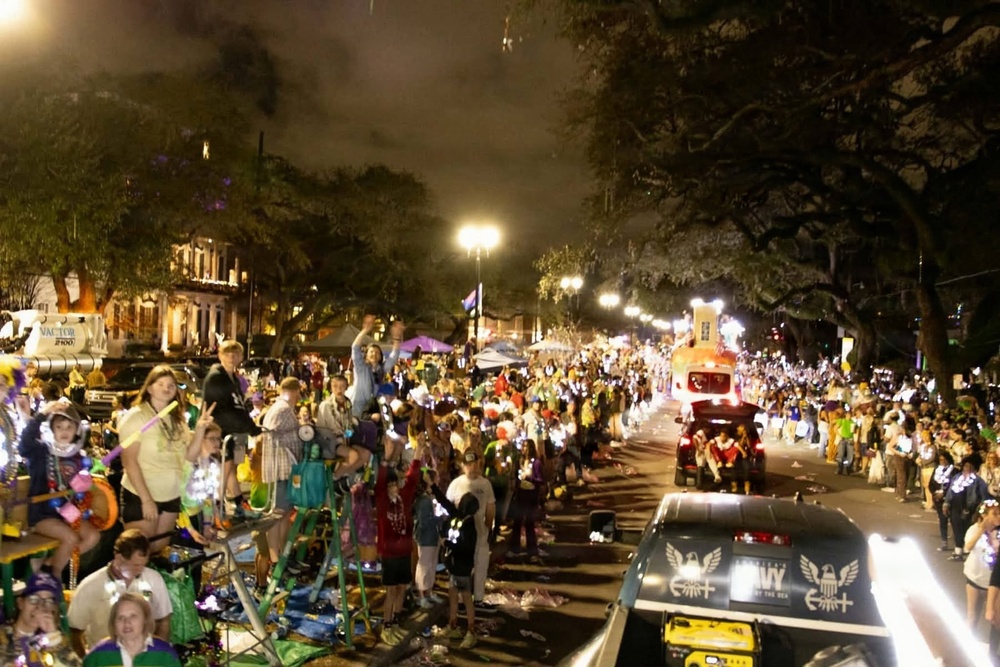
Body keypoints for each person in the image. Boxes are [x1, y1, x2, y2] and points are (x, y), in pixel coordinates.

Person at [119, 366, 217, 551]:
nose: (166, 388)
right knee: (139, 551)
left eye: (171, 385)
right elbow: (129, 462)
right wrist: (146, 500)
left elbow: (188, 456)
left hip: (171, 495)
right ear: (149, 388)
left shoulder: (177, 419)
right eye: (160, 384)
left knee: (158, 549)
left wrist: (201, 430)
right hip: (142, 494)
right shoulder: (137, 417)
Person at [18, 403, 101, 576]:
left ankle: (47, 565)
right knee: (70, 538)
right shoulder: (40, 452)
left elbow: (81, 491)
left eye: (69, 427)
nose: (64, 431)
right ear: (51, 429)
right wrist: (42, 415)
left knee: (93, 537)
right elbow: (24, 443)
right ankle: (53, 577)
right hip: (42, 515)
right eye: (59, 426)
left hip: (67, 511)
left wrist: (84, 484)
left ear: (77, 430)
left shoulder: (78, 457)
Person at [67, 530, 172, 657]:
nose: (140, 570)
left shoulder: (154, 579)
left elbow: (163, 620)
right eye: (135, 565)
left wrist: (157, 657)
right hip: (104, 659)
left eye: (143, 565)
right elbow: (75, 632)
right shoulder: (90, 586)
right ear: (119, 557)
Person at [202, 340, 261, 521]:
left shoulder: (234, 379)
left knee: (230, 470)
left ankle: (238, 506)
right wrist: (252, 429)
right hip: (219, 432)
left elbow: (239, 406)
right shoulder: (216, 378)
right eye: (227, 353)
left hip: (233, 432)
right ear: (219, 355)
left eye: (235, 354)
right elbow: (227, 410)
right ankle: (216, 510)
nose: (231, 357)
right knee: (223, 471)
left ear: (241, 357)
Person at [374, 437, 424, 646]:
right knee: (391, 589)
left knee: (403, 586)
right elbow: (380, 479)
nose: (394, 487)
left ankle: (395, 621)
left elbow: (413, 478)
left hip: (404, 551)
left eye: (396, 484)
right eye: (391, 484)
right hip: (389, 553)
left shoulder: (404, 496)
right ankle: (386, 625)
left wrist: (419, 451)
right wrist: (386, 456)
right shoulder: (383, 501)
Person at [259, 377, 303, 576]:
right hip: (281, 467)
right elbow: (270, 432)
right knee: (277, 514)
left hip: (284, 467)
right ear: (294, 391)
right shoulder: (282, 409)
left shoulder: (280, 408)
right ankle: (276, 558)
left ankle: (281, 554)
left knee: (284, 512)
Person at [431, 487, 480, 650]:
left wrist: (448, 543)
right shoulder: (458, 517)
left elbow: (465, 548)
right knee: (452, 595)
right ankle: (452, 626)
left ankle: (471, 631)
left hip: (463, 568)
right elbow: (445, 503)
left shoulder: (470, 528)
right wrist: (433, 487)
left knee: (466, 599)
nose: (457, 504)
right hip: (453, 567)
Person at [446, 450, 495, 610]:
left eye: (474, 464)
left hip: (480, 532)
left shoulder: (485, 484)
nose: (472, 468)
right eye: (468, 465)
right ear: (463, 466)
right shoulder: (456, 484)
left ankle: (478, 598)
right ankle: (461, 599)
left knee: (481, 565)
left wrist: (489, 528)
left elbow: (490, 506)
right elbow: (448, 506)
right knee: (463, 567)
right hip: (462, 536)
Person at [0, 572, 81, 667]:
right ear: (20, 603)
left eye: (49, 601)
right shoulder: (3, 637)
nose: (40, 607)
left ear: (54, 610)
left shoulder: (57, 641)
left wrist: (53, 636)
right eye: (34, 599)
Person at [82, 593, 180, 667]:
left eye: (133, 616)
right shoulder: (98, 655)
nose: (127, 623)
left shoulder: (165, 654)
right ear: (114, 623)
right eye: (120, 618)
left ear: (145, 619)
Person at [346, 315, 404, 420]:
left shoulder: (381, 369)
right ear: (366, 355)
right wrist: (365, 330)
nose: (374, 354)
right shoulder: (361, 367)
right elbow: (354, 348)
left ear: (381, 357)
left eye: (377, 352)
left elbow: (394, 355)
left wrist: (396, 338)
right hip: (357, 407)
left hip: (372, 409)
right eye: (371, 352)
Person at [315, 374, 367, 480]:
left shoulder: (347, 402)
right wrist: (337, 437)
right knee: (354, 455)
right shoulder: (325, 405)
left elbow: (349, 424)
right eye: (335, 386)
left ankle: (343, 475)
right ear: (330, 387)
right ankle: (335, 478)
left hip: (347, 439)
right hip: (331, 441)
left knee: (366, 454)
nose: (339, 389)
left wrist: (349, 433)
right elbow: (321, 428)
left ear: (346, 387)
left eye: (342, 386)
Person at [944, 458, 991, 562]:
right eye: (966, 466)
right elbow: (950, 492)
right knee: (957, 529)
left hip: (971, 509)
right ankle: (958, 552)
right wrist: (946, 504)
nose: (967, 468)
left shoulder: (978, 481)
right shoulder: (957, 477)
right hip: (956, 507)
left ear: (974, 469)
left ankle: (967, 553)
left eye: (970, 467)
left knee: (967, 530)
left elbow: (984, 498)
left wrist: (980, 511)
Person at [963, 499, 1000, 627]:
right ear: (984, 515)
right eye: (994, 514)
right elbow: (968, 546)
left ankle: (993, 647)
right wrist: (982, 530)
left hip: (994, 584)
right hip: (975, 579)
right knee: (972, 619)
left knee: (996, 620)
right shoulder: (974, 529)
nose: (999, 516)